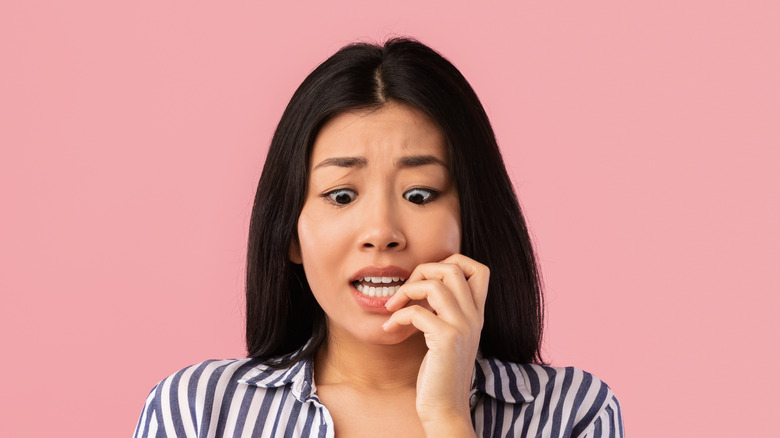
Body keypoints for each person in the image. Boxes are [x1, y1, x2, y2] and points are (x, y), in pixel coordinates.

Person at [133, 37, 624, 438]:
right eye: (342, 196)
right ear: (292, 236)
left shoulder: (571, 414)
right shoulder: (199, 412)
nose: (382, 233)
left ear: (471, 222)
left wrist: (448, 417)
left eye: (419, 194)